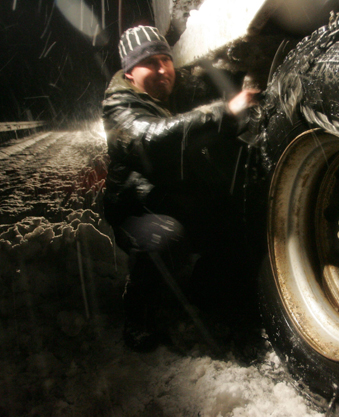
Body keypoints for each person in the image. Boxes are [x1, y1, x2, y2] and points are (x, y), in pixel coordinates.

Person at [102, 25, 260, 351]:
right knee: (167, 237)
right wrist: (222, 113)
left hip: (170, 198)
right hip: (137, 211)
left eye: (166, 59)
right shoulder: (119, 109)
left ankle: (204, 291)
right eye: (150, 62)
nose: (163, 70)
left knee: (235, 223)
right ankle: (139, 312)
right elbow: (153, 140)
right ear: (130, 72)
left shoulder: (165, 94)